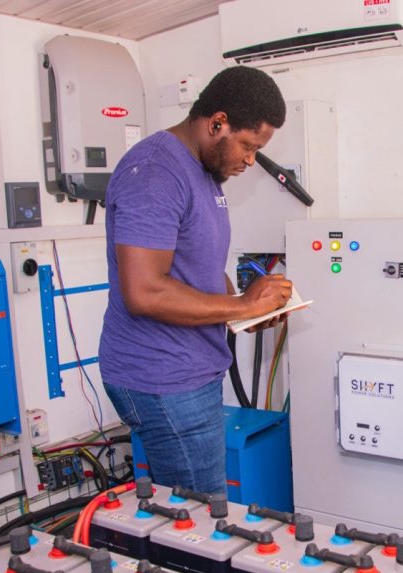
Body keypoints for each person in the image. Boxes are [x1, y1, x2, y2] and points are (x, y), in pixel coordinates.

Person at [100, 66, 293, 494]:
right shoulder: (155, 172)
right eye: (248, 146)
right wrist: (241, 305)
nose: (250, 160)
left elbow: (199, 267)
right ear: (217, 123)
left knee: (192, 511)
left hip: (188, 372)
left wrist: (243, 313)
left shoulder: (202, 172)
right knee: (201, 515)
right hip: (163, 377)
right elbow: (144, 291)